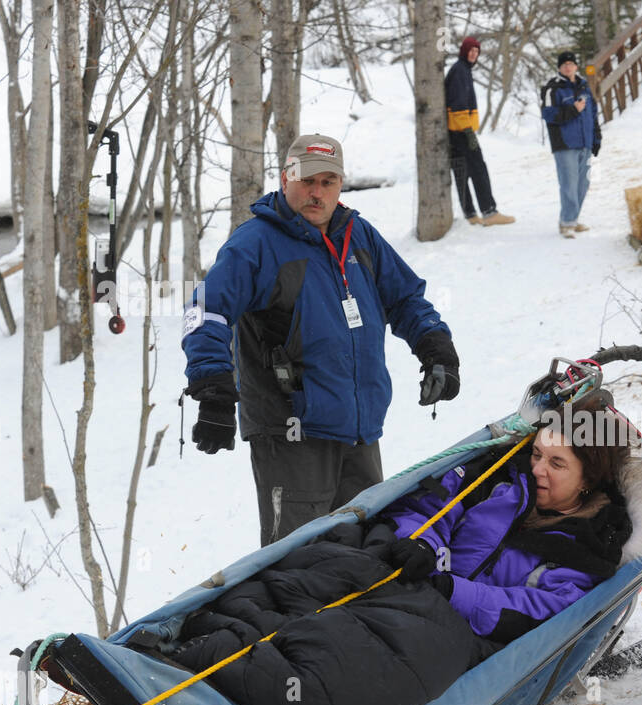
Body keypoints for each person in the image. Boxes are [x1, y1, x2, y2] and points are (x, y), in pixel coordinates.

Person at [170, 414, 642, 705]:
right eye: (537, 454)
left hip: (458, 627)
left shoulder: (590, 549)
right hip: (407, 571)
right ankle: (199, 637)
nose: (538, 469)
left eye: (557, 464)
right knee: (324, 569)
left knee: (349, 664)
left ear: (589, 478)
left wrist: (454, 590)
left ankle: (233, 680)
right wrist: (423, 544)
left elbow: (541, 614)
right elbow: (430, 505)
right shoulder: (499, 481)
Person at [182, 133, 462, 547]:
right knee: (297, 564)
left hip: (360, 432)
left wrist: (436, 348)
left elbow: (405, 298)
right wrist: (213, 389)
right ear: (285, 179)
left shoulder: (359, 236)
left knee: (366, 552)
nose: (317, 192)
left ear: (340, 186)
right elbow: (205, 310)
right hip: (293, 435)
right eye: (306, 180)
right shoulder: (256, 243)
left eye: (327, 182)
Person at [444, 37, 515, 227]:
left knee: (462, 170)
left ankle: (470, 213)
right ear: (463, 51)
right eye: (471, 50)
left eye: (477, 51)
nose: (474, 54)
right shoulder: (460, 71)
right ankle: (489, 211)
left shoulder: (463, 70)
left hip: (455, 130)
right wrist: (468, 131)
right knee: (478, 168)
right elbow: (457, 104)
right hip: (461, 129)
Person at [542, 51, 601, 238]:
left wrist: (596, 139)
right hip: (565, 143)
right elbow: (549, 115)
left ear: (576, 66)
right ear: (559, 68)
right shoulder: (553, 88)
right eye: (564, 64)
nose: (568, 67)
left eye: (571, 64)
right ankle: (567, 222)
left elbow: (593, 113)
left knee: (583, 183)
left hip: (584, 142)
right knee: (569, 183)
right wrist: (573, 110)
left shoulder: (584, 86)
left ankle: (573, 219)